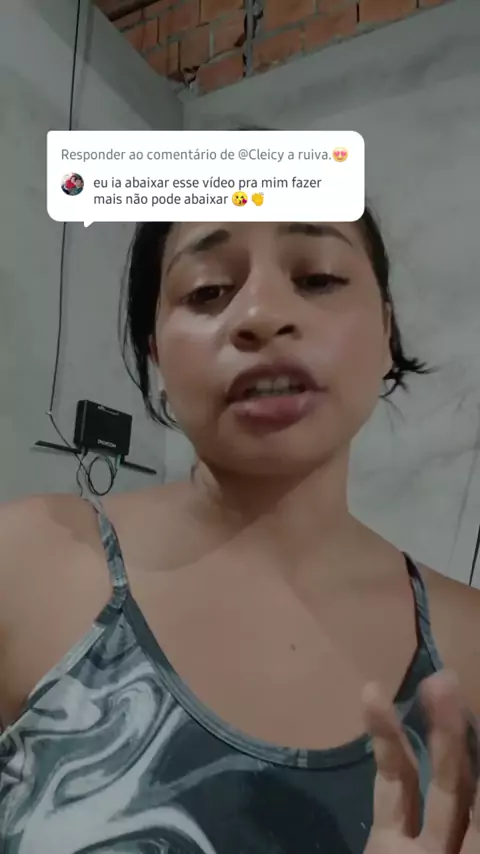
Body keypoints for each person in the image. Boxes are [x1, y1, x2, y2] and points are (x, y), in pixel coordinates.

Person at [1, 211, 480, 853]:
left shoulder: (470, 646)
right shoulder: (26, 566)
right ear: (156, 351)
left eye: (318, 278)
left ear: (386, 329)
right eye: (207, 290)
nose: (262, 314)